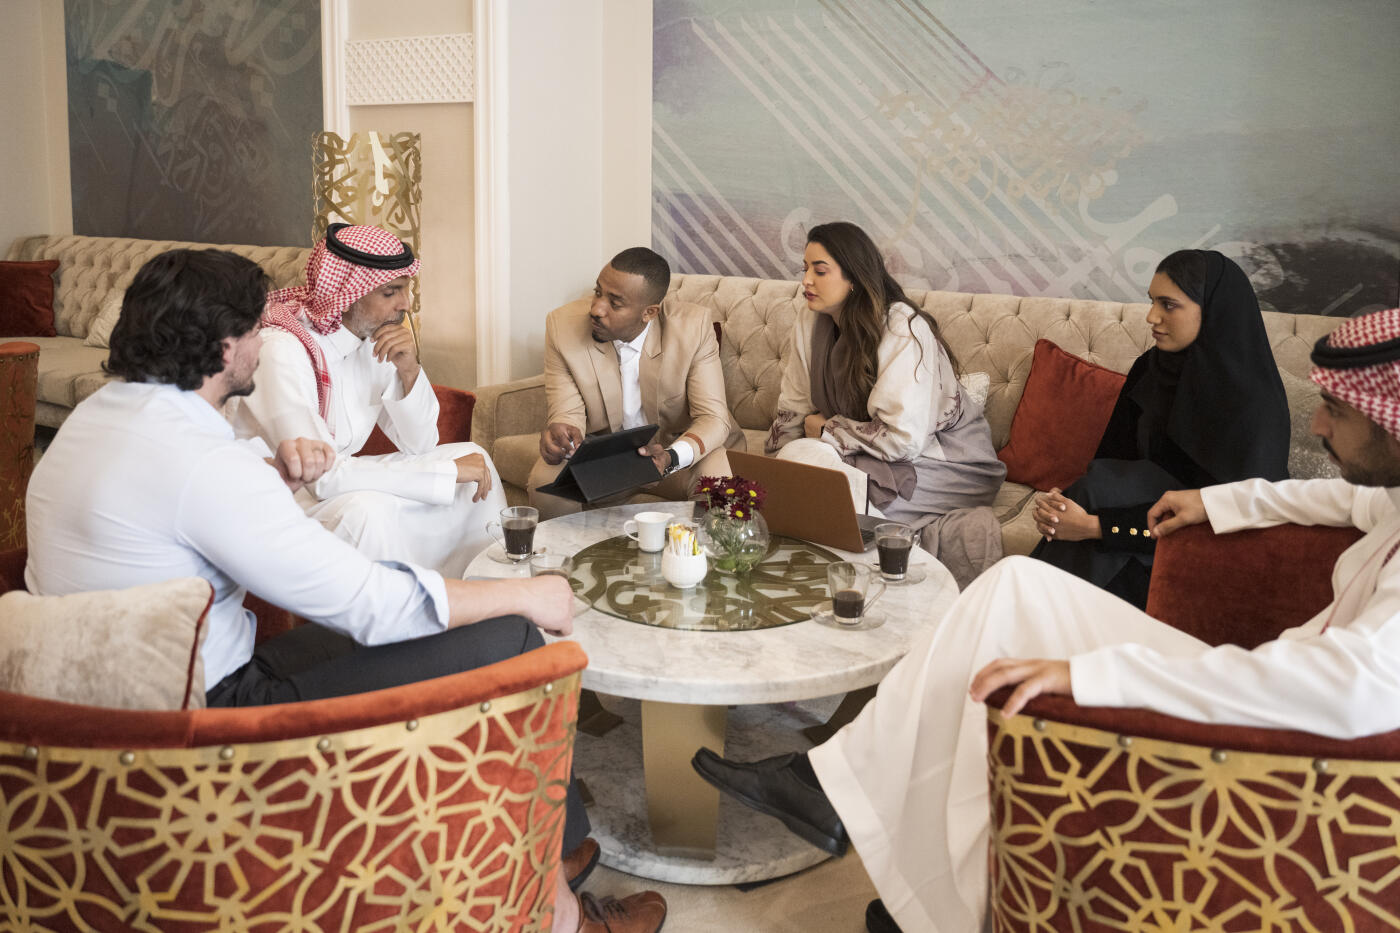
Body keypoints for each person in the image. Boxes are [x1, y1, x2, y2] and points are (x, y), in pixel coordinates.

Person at [692, 306, 1400, 933]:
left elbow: (1348, 686)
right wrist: (1217, 504)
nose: (1316, 422)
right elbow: (1344, 503)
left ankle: (859, 825)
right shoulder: (1391, 491)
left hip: (1279, 738)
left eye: (1337, 412)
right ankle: (851, 809)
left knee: (1007, 664)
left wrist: (1092, 674)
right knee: (1013, 590)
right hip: (1274, 687)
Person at [25, 248, 665, 933]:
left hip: (117, 704)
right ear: (224, 347)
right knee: (510, 638)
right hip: (212, 722)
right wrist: (525, 594)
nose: (263, 342)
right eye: (253, 330)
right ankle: (559, 917)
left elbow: (194, 501)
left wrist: (268, 472)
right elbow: (369, 603)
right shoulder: (204, 462)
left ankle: (547, 851)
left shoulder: (94, 421)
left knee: (440, 621)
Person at [226, 223, 505, 578]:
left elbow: (421, 443)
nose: (406, 304)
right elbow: (320, 478)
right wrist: (444, 472)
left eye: (406, 290)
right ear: (349, 294)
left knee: (475, 458)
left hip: (330, 482)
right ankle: (406, 614)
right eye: (392, 292)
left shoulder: (374, 341)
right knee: (366, 511)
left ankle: (483, 585)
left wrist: (409, 371)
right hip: (280, 497)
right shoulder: (282, 351)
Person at [1031, 249, 1290, 607]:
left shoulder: (1253, 402)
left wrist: (1096, 527)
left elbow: (1234, 519)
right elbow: (1107, 464)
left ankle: (1025, 636)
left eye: (1169, 305)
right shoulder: (1150, 370)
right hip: (1139, 525)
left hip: (1207, 548)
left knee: (1084, 553)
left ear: (1212, 309)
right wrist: (1062, 509)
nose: (1152, 317)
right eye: (1152, 302)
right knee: (1090, 493)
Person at [767, 222, 1006, 585]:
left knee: (828, 495)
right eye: (805, 269)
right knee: (802, 470)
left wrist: (827, 429)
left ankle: (865, 592)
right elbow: (794, 407)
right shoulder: (809, 319)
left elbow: (903, 439)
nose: (806, 282)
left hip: (941, 462)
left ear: (854, 277)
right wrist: (777, 476)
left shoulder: (901, 327)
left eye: (820, 270)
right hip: (864, 452)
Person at [528, 246, 745, 520]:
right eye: (598, 292)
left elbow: (713, 418)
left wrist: (670, 457)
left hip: (675, 453)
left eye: (615, 303)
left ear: (649, 312)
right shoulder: (562, 327)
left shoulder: (693, 327)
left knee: (718, 480)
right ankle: (565, 561)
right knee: (544, 482)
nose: (596, 309)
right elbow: (566, 413)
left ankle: (705, 560)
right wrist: (561, 434)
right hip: (611, 459)